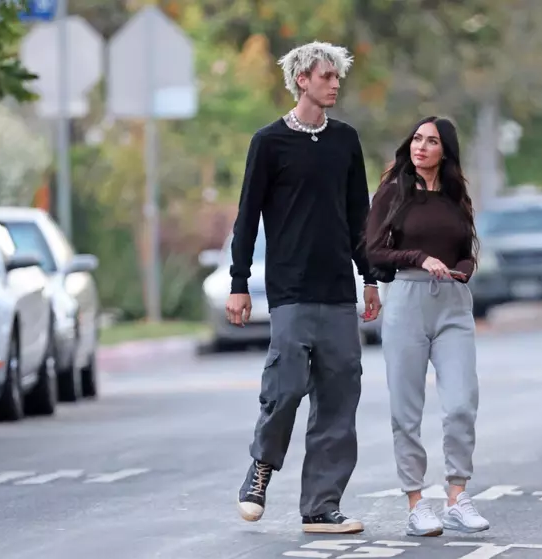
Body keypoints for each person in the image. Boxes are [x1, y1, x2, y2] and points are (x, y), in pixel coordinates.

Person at [226, 41, 382, 535]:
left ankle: (320, 505)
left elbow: (360, 214)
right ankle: (262, 467)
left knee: (339, 398)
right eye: (326, 76)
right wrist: (238, 283)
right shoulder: (269, 143)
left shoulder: (346, 140)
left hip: (338, 290)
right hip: (290, 290)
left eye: (338, 77)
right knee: (286, 386)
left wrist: (370, 276)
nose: (335, 84)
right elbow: (247, 216)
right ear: (301, 81)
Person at [364, 116, 489, 537]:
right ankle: (416, 502)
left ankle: (457, 496)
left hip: (453, 304)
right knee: (407, 410)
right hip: (407, 301)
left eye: (431, 141)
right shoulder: (394, 192)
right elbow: (375, 250)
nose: (420, 146)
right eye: (416, 138)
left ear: (444, 152)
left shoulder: (456, 197)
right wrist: (418, 258)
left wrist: (465, 268)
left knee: (460, 404)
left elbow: (466, 249)